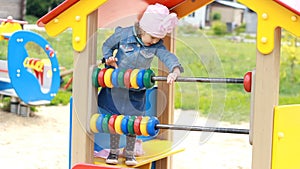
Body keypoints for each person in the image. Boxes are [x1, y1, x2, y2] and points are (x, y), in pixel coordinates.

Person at [98, 3, 184, 166]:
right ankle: (114, 152)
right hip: (116, 87)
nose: (155, 41)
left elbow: (167, 56)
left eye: (158, 39)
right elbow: (107, 45)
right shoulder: (123, 35)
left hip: (136, 92)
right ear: (143, 29)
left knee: (133, 122)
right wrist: (108, 58)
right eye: (152, 37)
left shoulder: (156, 45)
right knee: (114, 121)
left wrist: (175, 70)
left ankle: (129, 153)